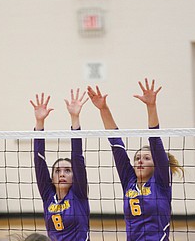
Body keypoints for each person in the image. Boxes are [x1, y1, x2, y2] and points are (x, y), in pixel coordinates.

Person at [87, 78, 183, 241]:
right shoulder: (129, 181)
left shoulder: (161, 181)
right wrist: (103, 109)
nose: (140, 161)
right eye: (137, 158)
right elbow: (116, 143)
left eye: (146, 158)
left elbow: (154, 140)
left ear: (156, 165)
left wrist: (151, 106)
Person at [30, 89, 90, 241]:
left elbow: (77, 156)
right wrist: (39, 123)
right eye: (57, 171)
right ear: (51, 178)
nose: (62, 174)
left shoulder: (79, 194)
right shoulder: (48, 196)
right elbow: (39, 161)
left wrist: (75, 118)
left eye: (68, 170)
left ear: (74, 176)